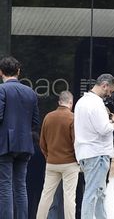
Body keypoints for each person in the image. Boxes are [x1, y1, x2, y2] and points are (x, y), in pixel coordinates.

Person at [75, 74, 114, 219]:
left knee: (99, 193)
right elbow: (103, 129)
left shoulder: (81, 102)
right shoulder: (96, 104)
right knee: (92, 193)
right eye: (109, 91)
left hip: (86, 152)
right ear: (104, 85)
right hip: (97, 153)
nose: (109, 95)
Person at [0, 56, 40, 219]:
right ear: (18, 72)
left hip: (5, 145)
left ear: (1, 72)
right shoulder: (30, 92)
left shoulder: (2, 90)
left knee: (5, 187)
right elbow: (36, 121)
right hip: (25, 144)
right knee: (20, 187)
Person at [36, 91, 77, 219]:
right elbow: (76, 142)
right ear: (70, 103)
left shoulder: (48, 117)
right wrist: (77, 159)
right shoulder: (73, 118)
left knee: (46, 195)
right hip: (70, 163)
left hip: (52, 163)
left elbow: (42, 142)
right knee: (69, 196)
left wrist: (49, 156)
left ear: (59, 102)